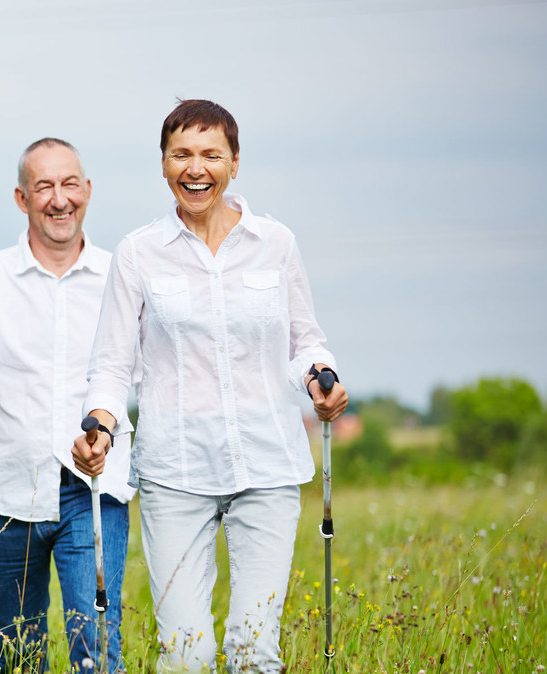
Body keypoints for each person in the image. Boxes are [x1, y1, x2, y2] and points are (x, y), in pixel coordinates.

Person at [71, 99, 348, 673]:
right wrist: (99, 424)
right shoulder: (137, 254)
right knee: (186, 652)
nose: (196, 168)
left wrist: (322, 379)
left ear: (235, 163)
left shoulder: (275, 243)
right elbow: (111, 365)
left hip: (266, 465)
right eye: (182, 155)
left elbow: (306, 343)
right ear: (165, 165)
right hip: (177, 472)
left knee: (253, 647)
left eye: (210, 155)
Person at [0, 138, 133, 673]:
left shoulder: (121, 277)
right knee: (18, 651)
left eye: (69, 184)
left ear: (87, 191)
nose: (59, 200)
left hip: (94, 485)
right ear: (22, 198)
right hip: (6, 492)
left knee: (96, 643)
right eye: (44, 187)